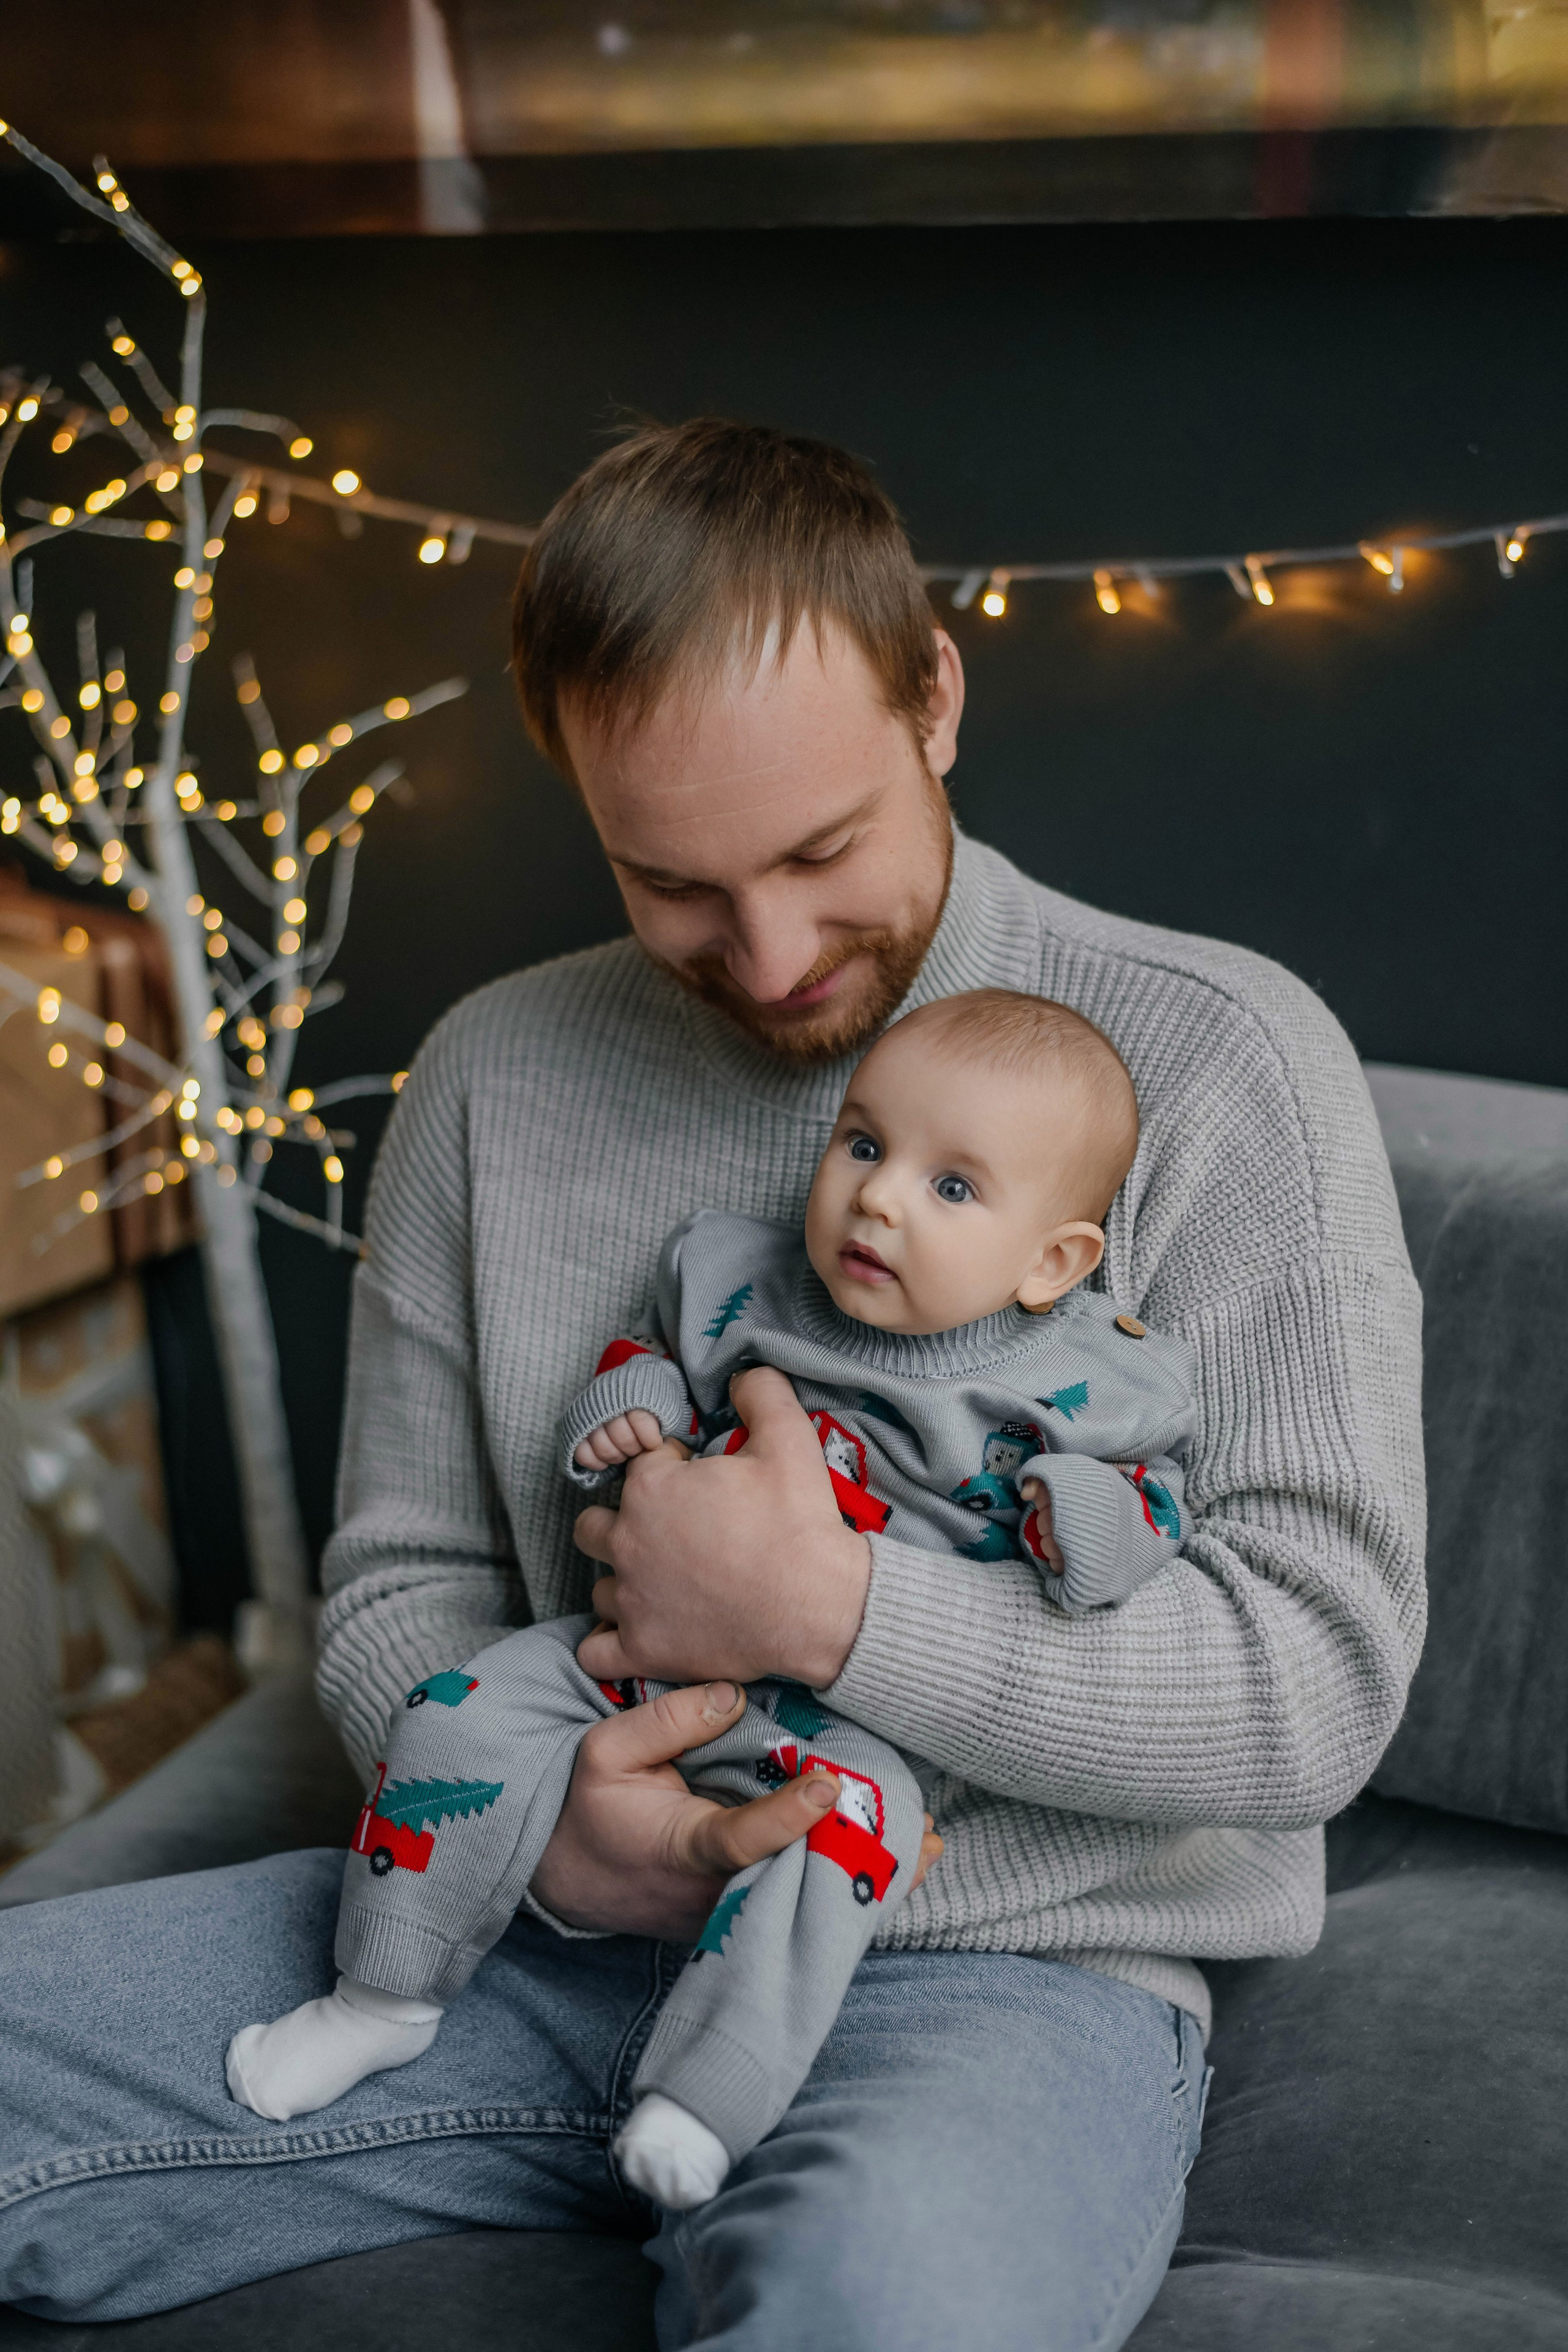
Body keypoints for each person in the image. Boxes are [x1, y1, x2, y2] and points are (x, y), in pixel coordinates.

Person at [0, 419, 1425, 2349]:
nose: (763, 964)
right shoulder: (492, 1078)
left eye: (821, 854)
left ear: (935, 695)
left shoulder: (1228, 1066)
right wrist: (570, 1831)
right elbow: (398, 1584)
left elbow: (1316, 1681)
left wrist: (834, 1610)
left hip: (986, 1970)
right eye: (668, 882)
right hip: (507, 1915)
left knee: (870, 2309)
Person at [222, 989, 1196, 2220]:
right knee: (456, 1709)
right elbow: (640, 1358)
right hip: (624, 1664)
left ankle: (704, 2097)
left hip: (840, 1732)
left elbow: (1152, 1509)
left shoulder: (1076, 1382)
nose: (879, 1197)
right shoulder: (741, 1282)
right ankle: (381, 1995)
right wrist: (617, 1419)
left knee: (855, 1837)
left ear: (1052, 1261)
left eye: (952, 1189)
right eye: (862, 1145)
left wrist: (1080, 1519)